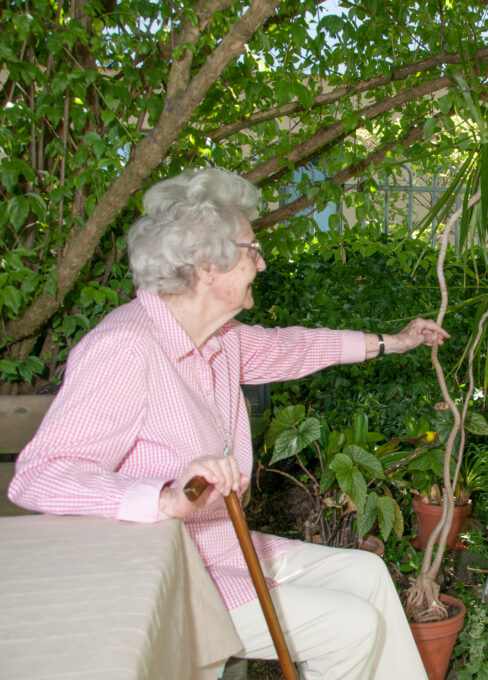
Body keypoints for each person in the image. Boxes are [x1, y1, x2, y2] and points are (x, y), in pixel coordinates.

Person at [9, 167, 448, 680]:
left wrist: (392, 342)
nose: (260, 264)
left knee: (368, 572)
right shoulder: (126, 348)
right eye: (252, 250)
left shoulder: (217, 340)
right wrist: (164, 498)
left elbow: (293, 346)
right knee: (348, 626)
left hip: (223, 546)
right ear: (208, 267)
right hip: (176, 578)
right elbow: (39, 475)